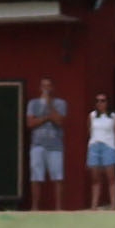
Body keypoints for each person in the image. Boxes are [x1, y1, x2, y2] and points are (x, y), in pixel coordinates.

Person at [25, 77, 69, 211]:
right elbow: (30, 123)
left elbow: (59, 121)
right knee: (36, 176)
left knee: (58, 177)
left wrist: (49, 104)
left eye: (48, 86)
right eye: (44, 86)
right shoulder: (33, 103)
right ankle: (35, 207)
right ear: (40, 88)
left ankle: (59, 208)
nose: (46, 88)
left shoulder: (60, 103)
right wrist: (47, 118)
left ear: (52, 88)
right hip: (37, 144)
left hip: (55, 145)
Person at [87, 92, 115, 209]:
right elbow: (89, 130)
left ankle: (113, 205)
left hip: (108, 146)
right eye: (97, 101)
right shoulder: (92, 116)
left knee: (111, 177)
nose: (100, 103)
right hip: (94, 146)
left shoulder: (114, 117)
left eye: (102, 101)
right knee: (95, 178)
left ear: (107, 103)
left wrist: (111, 143)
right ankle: (94, 205)